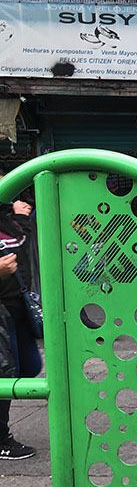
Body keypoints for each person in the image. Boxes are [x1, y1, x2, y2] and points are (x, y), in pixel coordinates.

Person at [0, 197, 39, 460]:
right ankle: (2, 439)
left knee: (29, 366)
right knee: (4, 372)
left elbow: (24, 252)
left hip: (19, 306)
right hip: (1, 309)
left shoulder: (10, 220)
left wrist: (22, 218)